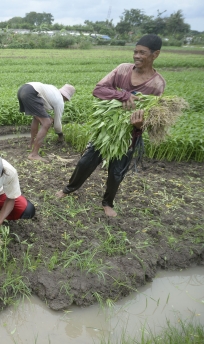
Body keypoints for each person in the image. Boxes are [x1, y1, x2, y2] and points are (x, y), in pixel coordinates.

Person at [55, 34, 166, 217]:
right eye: (135, 51)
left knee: (116, 172)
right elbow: (98, 90)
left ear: (155, 54)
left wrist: (140, 125)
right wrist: (124, 96)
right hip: (106, 130)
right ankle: (69, 189)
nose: (137, 56)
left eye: (142, 53)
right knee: (85, 163)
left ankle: (108, 202)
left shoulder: (157, 84)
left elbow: (155, 118)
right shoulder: (123, 70)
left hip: (128, 136)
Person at [17, 82, 75, 162]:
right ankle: (34, 154)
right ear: (66, 97)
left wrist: (49, 118)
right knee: (46, 123)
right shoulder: (59, 101)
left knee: (36, 118)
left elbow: (41, 113)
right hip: (31, 92)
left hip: (23, 89)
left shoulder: (53, 91)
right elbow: (57, 125)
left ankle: (31, 144)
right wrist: (60, 135)